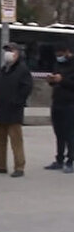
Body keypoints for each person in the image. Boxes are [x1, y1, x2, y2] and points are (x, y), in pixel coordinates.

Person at [0, 42, 33, 178]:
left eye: (11, 50)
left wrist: (17, 101)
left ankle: (19, 166)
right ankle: (0, 165)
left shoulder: (22, 69)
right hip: (0, 110)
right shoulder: (3, 69)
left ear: (18, 53)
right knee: (0, 140)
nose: (8, 53)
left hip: (13, 111)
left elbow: (26, 88)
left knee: (16, 141)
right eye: (7, 50)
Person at [44, 41, 74, 173]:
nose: (59, 56)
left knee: (70, 134)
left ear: (68, 52)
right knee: (59, 133)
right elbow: (56, 80)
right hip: (57, 102)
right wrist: (51, 80)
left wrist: (62, 80)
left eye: (61, 54)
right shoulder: (58, 64)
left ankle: (70, 160)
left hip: (70, 104)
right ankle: (59, 159)